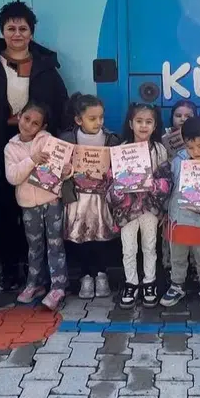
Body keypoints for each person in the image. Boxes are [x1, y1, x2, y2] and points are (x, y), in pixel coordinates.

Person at [0, 1, 70, 292]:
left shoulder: (45, 67)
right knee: (6, 208)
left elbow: (61, 106)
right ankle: (11, 268)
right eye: (11, 28)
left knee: (38, 208)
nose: (17, 34)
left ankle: (41, 271)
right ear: (2, 31)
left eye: (23, 28)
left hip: (38, 148)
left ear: (31, 33)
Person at [4, 102, 68, 311]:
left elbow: (62, 169)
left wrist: (66, 170)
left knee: (55, 244)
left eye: (35, 123)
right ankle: (35, 283)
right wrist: (32, 160)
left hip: (51, 201)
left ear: (43, 127)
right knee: (34, 246)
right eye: (26, 119)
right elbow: (13, 177)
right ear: (19, 116)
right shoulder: (10, 147)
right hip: (28, 205)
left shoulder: (48, 141)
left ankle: (58, 286)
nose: (29, 125)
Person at [108, 103, 171, 308]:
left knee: (150, 246)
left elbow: (166, 180)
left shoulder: (159, 150)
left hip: (150, 208)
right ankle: (131, 283)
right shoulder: (121, 150)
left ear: (155, 126)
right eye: (139, 121)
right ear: (131, 124)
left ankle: (149, 282)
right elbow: (111, 179)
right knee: (128, 248)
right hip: (127, 209)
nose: (143, 126)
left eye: (148, 122)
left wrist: (153, 185)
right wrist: (119, 188)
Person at [60, 93, 122, 300]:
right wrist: (66, 171)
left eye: (101, 117)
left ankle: (102, 273)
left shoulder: (111, 139)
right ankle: (85, 275)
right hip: (78, 198)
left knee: (101, 236)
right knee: (81, 236)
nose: (98, 122)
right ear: (79, 120)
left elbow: (119, 168)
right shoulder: (68, 139)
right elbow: (57, 168)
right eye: (92, 118)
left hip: (101, 198)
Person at [160, 116, 200, 309]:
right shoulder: (177, 162)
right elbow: (169, 187)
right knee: (177, 256)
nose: (196, 151)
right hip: (178, 220)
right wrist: (165, 209)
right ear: (184, 143)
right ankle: (177, 284)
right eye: (190, 147)